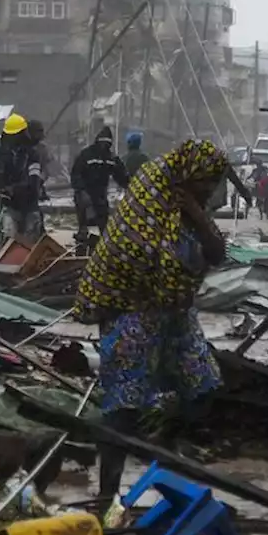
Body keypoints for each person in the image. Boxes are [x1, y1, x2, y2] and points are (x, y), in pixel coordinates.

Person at [74, 139, 228, 505]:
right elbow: (159, 264)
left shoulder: (186, 206)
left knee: (204, 385)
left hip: (174, 312)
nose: (210, 188)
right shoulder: (149, 198)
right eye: (206, 180)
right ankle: (107, 492)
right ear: (189, 174)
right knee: (123, 404)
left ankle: (164, 455)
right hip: (130, 313)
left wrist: (194, 209)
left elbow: (216, 252)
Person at [0, 114, 45, 244]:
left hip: (29, 205)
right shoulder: (0, 153)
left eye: (16, 136)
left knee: (30, 242)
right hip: (8, 205)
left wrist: (15, 189)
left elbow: (34, 181)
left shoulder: (32, 155)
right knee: (8, 239)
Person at [70, 126, 129, 252]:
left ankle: (100, 252)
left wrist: (131, 187)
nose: (104, 145)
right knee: (84, 227)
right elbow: (76, 174)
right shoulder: (86, 154)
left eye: (107, 143)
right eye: (103, 142)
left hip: (100, 197)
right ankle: (81, 252)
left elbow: (121, 176)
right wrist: (81, 191)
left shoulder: (111, 157)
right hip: (84, 196)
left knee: (103, 227)